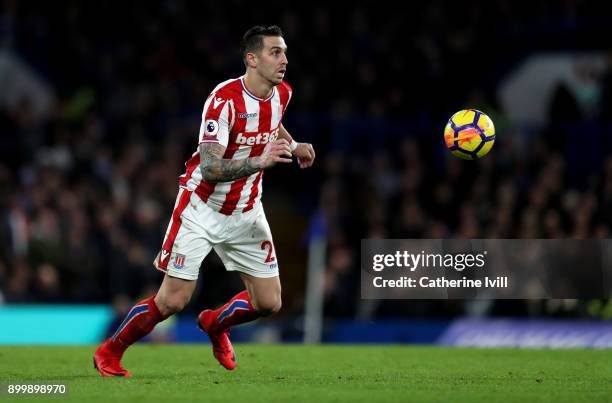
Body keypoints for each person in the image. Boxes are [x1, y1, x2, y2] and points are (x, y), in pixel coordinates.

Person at [93, 25, 315, 377]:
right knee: (172, 301)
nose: (285, 60)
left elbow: (273, 124)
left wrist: (295, 144)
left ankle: (215, 324)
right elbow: (210, 168)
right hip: (202, 208)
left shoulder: (282, 93)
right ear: (251, 59)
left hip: (246, 210)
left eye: (285, 51)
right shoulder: (223, 100)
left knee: (270, 303)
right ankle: (109, 351)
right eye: (276, 52)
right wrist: (261, 161)